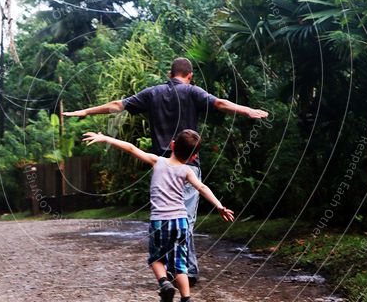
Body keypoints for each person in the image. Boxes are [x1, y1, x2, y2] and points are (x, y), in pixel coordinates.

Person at [66, 57, 267, 283]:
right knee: (185, 219)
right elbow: (220, 103)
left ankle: (171, 269)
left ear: (170, 73)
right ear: (189, 75)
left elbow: (116, 106)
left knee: (165, 217)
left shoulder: (152, 93)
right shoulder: (192, 92)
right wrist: (247, 110)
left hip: (161, 166)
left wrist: (85, 111)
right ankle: (186, 271)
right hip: (188, 166)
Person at [83, 128, 234, 302]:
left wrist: (104, 137)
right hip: (180, 221)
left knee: (156, 258)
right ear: (193, 156)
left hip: (159, 221)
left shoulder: (157, 161)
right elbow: (202, 187)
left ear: (172, 145)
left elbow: (130, 148)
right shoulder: (187, 170)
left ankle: (164, 283)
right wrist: (219, 206)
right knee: (180, 264)